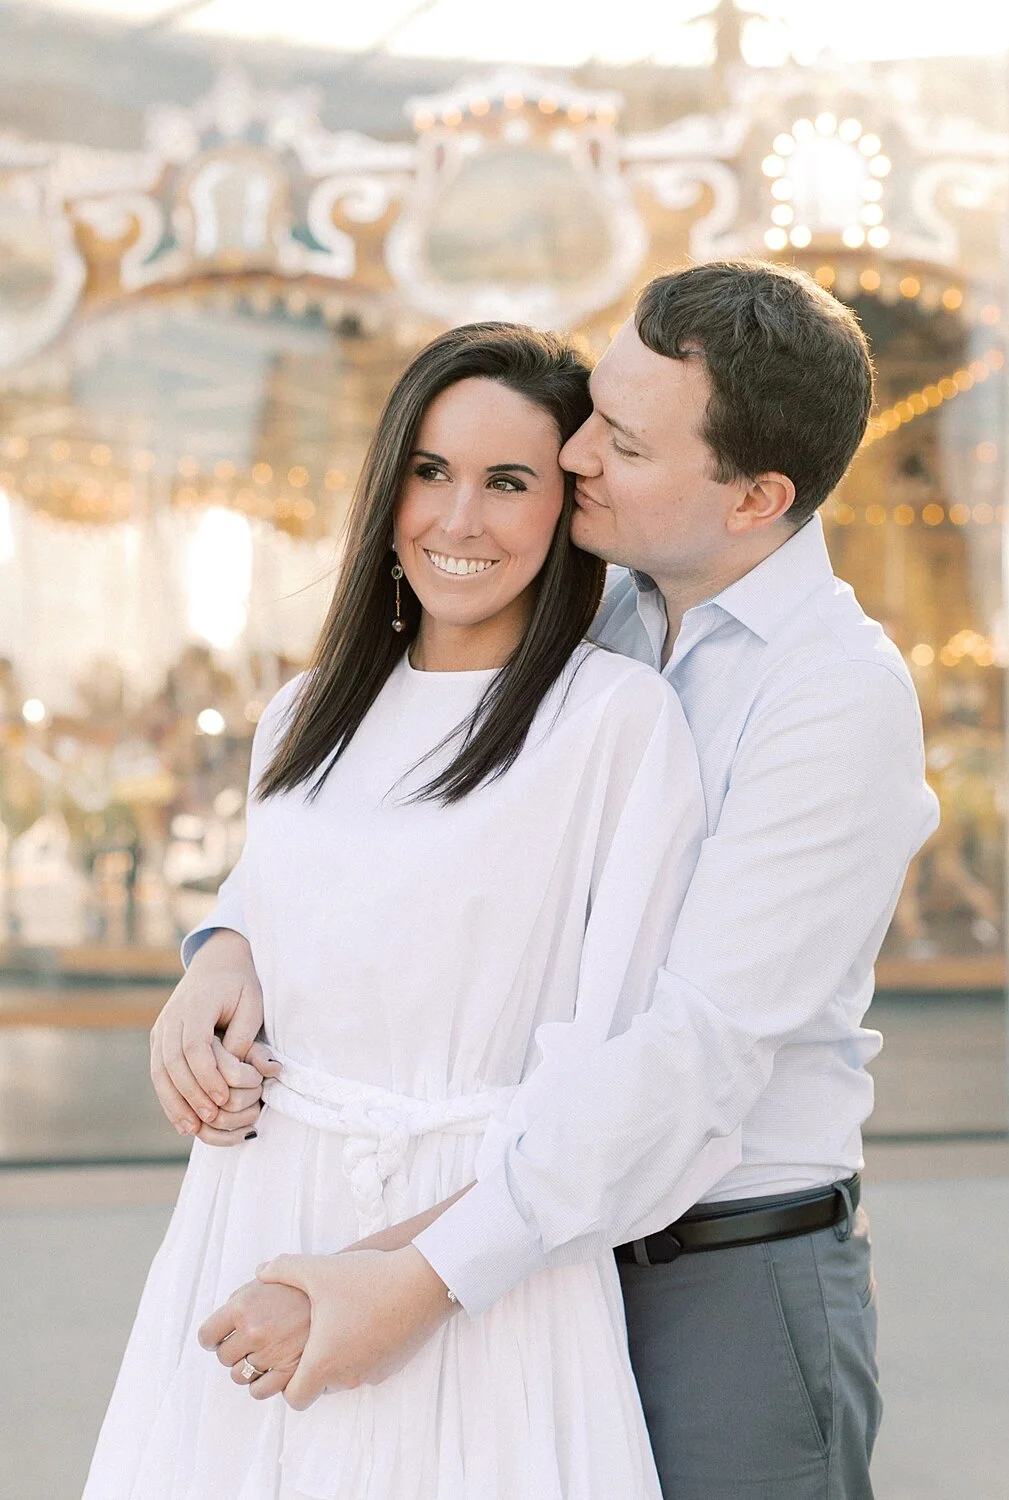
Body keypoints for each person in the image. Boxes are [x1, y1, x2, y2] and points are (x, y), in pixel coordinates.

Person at [151, 261, 940, 1500]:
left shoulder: (832, 699)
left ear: (758, 497)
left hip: (716, 1271)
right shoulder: (604, 607)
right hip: (528, 1252)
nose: (572, 452)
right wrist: (229, 938)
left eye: (619, 439)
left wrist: (415, 1277)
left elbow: (689, 1060)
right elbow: (388, 825)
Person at [85, 323, 724, 1500]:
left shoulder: (615, 726)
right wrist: (221, 953)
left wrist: (407, 1273)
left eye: (508, 483)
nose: (458, 520)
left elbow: (628, 1076)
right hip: (254, 1208)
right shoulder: (302, 714)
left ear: (564, 507)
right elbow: (293, 902)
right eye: (430, 472)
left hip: (476, 1252)